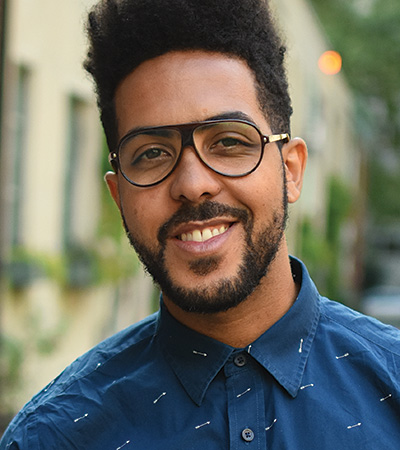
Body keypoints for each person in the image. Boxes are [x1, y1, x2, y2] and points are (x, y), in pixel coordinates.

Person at [1, 0, 400, 448]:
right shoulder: (54, 437)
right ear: (119, 197)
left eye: (229, 141)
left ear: (290, 170)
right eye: (152, 153)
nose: (192, 185)